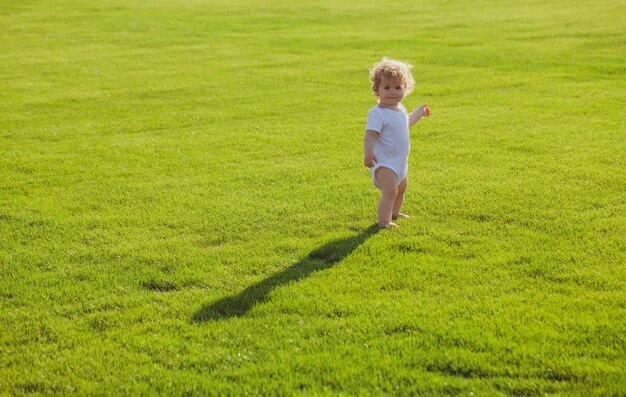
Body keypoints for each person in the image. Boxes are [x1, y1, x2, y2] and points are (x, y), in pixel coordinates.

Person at [363, 58, 430, 228]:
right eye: (387, 88)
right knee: (390, 191)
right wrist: (368, 154)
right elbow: (370, 135)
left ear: (405, 88)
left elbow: (405, 123)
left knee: (401, 188)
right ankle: (384, 221)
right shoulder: (378, 113)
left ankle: (394, 212)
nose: (392, 92)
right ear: (376, 90)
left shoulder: (399, 109)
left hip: (399, 161)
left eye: (398, 87)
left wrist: (419, 112)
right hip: (384, 162)